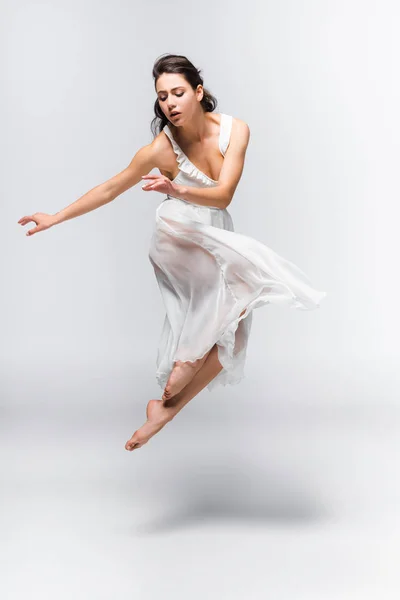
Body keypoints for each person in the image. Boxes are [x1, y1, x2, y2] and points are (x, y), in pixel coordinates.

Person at [17, 53, 326, 452]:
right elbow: (111, 188)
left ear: (199, 92)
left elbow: (224, 194)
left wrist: (177, 187)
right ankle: (179, 373)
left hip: (213, 230)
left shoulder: (236, 131)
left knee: (236, 332)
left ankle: (164, 410)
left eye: (178, 92)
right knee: (223, 317)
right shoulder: (160, 150)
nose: (170, 103)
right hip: (178, 234)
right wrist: (55, 217)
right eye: (162, 97)